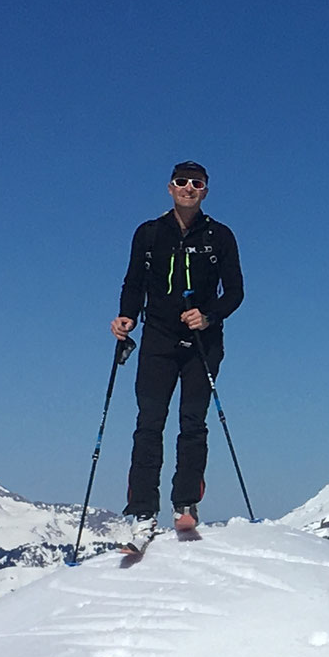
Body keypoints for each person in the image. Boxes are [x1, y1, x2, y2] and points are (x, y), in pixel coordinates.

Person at [111, 161, 244, 548]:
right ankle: (142, 512)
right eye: (182, 182)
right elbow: (134, 282)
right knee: (149, 423)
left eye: (196, 183)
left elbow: (235, 292)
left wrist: (208, 316)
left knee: (193, 422)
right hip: (157, 340)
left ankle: (185, 505)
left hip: (203, 342)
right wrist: (125, 317)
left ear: (205, 191)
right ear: (170, 187)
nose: (188, 188)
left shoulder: (220, 236)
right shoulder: (149, 234)